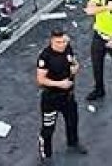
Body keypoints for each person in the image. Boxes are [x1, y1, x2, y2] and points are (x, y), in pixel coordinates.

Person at [37, 29, 88, 163]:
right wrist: (60, 84)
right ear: (52, 41)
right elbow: (40, 79)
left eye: (64, 41)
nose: (62, 45)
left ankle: (73, 142)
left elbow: (74, 62)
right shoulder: (45, 57)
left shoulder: (67, 48)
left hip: (68, 96)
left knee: (72, 122)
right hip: (51, 98)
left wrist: (76, 67)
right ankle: (46, 154)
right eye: (58, 42)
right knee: (48, 128)